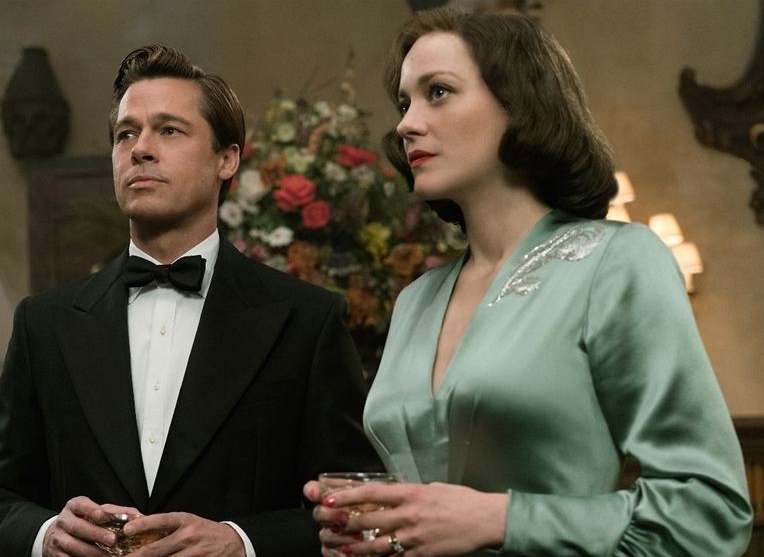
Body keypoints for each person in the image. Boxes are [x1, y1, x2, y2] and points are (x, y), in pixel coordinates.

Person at [303, 7, 754, 556]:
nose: (405, 124)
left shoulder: (617, 261)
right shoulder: (416, 300)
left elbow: (709, 513)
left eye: (438, 92)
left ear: (520, 105)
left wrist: (502, 519)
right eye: (404, 103)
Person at [0, 44, 381, 557]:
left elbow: (352, 510)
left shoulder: (306, 321)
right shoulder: (44, 323)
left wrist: (242, 542)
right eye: (126, 133)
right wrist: (45, 535)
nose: (140, 148)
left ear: (227, 159)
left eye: (169, 130)